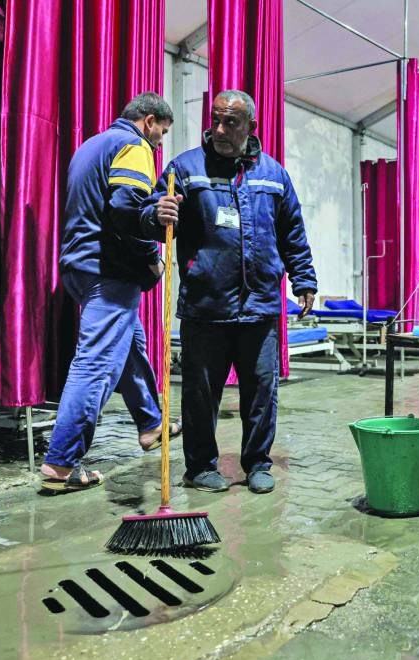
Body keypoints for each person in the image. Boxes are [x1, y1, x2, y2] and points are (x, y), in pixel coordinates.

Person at [143, 90, 317, 494]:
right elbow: (150, 215)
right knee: (201, 396)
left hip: (260, 307)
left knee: (261, 393)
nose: (220, 130)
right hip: (206, 306)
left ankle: (257, 463)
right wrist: (156, 214)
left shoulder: (273, 175)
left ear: (251, 127)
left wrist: (304, 279)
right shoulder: (184, 169)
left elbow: (292, 232)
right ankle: (200, 467)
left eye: (231, 123)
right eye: (216, 120)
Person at [40, 92, 182, 494]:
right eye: (161, 134)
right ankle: (61, 464)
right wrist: (152, 252)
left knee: (131, 345)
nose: (159, 144)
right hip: (109, 269)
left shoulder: (90, 146)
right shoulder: (133, 146)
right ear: (149, 120)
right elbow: (125, 210)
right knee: (96, 364)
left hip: (77, 265)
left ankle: (151, 424)